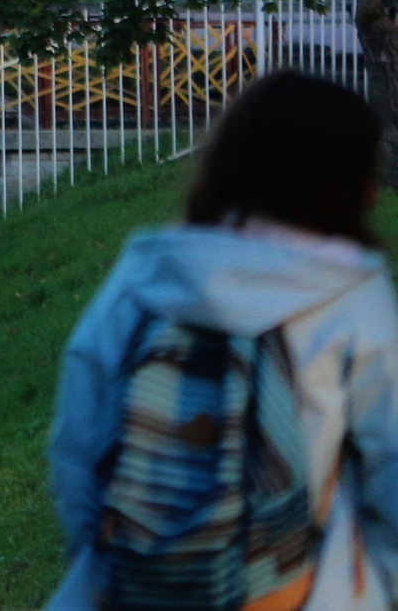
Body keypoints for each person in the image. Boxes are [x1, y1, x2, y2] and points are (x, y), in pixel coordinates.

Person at [49, 71, 398, 610]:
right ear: (352, 180)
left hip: (125, 591)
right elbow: (390, 470)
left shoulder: (148, 274)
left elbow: (78, 444)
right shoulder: (352, 297)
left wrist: (119, 570)